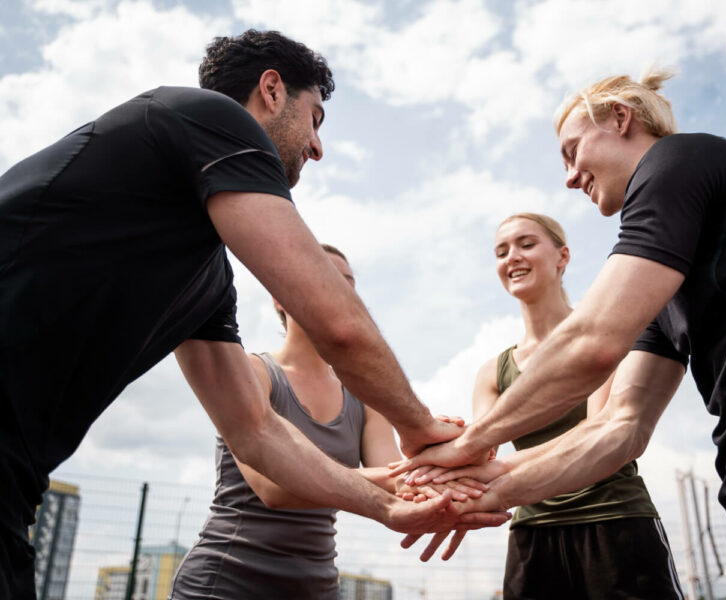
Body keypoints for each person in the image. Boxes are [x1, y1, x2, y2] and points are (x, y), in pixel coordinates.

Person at [0, 29, 505, 600]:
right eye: (314, 118)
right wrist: (421, 426)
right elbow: (338, 327)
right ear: (271, 90)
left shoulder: (208, 281)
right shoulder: (202, 115)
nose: (317, 146)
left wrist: (387, 502)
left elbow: (258, 434)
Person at [393, 69, 726, 598]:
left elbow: (594, 341)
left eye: (572, 151)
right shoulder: (664, 286)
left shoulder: (681, 161)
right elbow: (619, 429)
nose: (568, 177)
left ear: (620, 117)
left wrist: (473, 444)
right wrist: (483, 493)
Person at [171, 245, 486, 599]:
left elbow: (395, 480)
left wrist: (447, 458)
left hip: (316, 585)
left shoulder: (365, 396)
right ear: (278, 297)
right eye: (323, 276)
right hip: (225, 582)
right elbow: (274, 488)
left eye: (348, 283)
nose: (338, 290)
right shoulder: (253, 373)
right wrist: (422, 469)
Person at [456, 213, 685, 598]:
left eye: (526, 244)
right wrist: (446, 440)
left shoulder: (604, 338)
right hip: (532, 533)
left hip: (614, 520)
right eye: (501, 251)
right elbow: (480, 454)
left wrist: (486, 467)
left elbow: (597, 431)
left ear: (563, 257)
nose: (512, 256)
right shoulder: (492, 372)